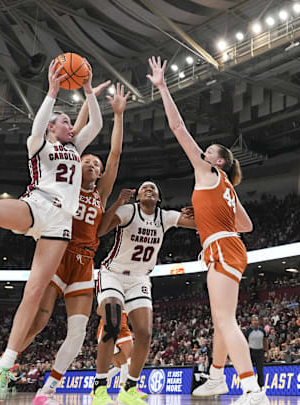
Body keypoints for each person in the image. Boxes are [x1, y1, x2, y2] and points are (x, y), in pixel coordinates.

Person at [0, 59, 102, 401]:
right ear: (54, 128)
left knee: (34, 290)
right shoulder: (40, 145)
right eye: (67, 121)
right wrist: (53, 91)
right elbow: (37, 125)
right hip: (36, 206)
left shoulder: (75, 149)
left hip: (60, 224)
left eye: (71, 122)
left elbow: (97, 123)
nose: (72, 126)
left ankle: (6, 363)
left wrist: (88, 91)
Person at [146, 56, 267, 405]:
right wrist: (206, 215)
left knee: (226, 321)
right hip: (231, 245)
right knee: (221, 319)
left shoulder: (207, 173)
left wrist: (163, 87)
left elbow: (178, 129)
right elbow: (246, 225)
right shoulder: (228, 186)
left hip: (222, 248)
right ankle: (216, 376)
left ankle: (251, 389)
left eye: (209, 151)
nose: (203, 152)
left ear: (218, 161)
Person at [22, 80, 124, 405]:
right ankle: (6, 361)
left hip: (85, 262)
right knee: (38, 319)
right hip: (60, 251)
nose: (94, 166)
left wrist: (117, 115)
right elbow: (77, 131)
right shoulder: (67, 182)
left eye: (98, 165)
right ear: (77, 163)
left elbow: (116, 153)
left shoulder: (101, 193)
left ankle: (47, 389)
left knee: (78, 332)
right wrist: (84, 94)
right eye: (88, 161)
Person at [90, 180, 196, 405]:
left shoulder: (165, 217)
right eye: (144, 188)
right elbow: (100, 230)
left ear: (158, 198)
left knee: (145, 333)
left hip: (139, 278)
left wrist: (200, 211)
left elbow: (199, 224)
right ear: (138, 197)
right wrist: (118, 202)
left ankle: (130, 387)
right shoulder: (129, 211)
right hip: (113, 273)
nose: (149, 189)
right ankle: (99, 386)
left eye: (154, 188)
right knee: (112, 320)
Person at [246, 315, 268, 388]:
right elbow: (245, 343)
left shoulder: (262, 331)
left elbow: (265, 341)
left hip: (260, 352)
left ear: (258, 321)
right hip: (251, 352)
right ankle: (249, 387)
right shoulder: (248, 332)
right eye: (254, 320)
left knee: (260, 371)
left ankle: (261, 387)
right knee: (249, 371)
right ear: (251, 322)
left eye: (256, 320)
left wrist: (267, 352)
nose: (255, 322)